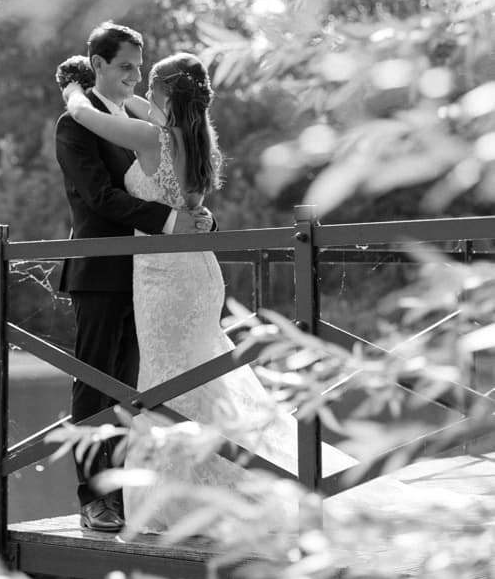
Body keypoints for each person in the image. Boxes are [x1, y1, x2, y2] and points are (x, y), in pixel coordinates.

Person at [59, 49, 336, 533]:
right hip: (194, 274)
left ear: (166, 94)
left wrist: (73, 86)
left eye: (151, 82)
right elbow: (161, 187)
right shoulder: (196, 137)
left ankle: (179, 497)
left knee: (165, 383)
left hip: (163, 280)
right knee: (189, 381)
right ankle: (215, 482)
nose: (141, 86)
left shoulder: (149, 136)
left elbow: (84, 114)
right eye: (129, 69)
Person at [52, 23, 212, 533]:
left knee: (135, 392)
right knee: (94, 386)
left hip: (155, 281)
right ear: (97, 64)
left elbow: (181, 181)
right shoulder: (76, 125)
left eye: (140, 67)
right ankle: (93, 498)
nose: (135, 76)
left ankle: (129, 493)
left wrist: (195, 221)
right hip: (103, 273)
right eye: (125, 66)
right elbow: (101, 198)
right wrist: (172, 223)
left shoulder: (143, 120)